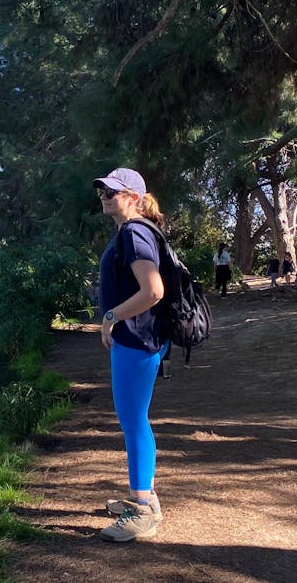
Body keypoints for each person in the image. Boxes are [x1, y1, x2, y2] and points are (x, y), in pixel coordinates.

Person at [93, 167, 167, 542]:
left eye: (113, 191)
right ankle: (145, 499)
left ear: (133, 197)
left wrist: (110, 317)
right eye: (102, 190)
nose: (104, 195)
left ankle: (142, 511)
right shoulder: (129, 232)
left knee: (134, 421)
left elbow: (153, 291)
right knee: (134, 419)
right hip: (137, 339)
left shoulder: (136, 233)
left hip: (137, 340)